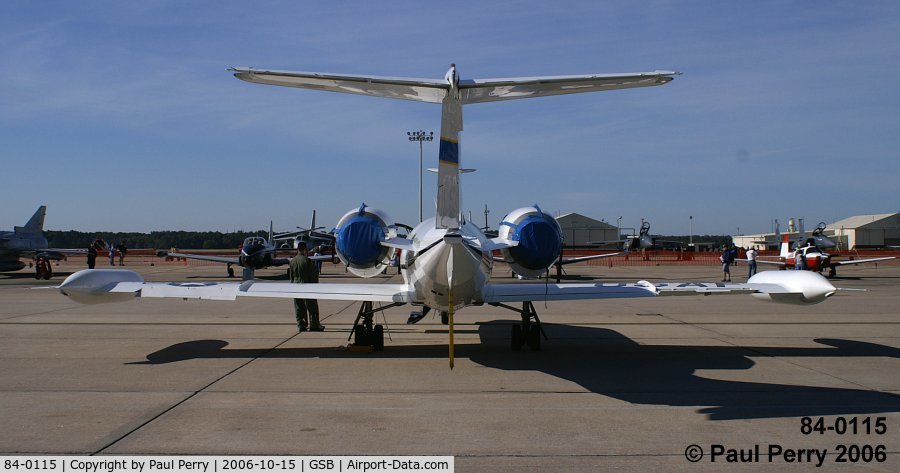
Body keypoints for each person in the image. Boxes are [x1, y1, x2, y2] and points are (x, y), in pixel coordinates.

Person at [288, 242, 323, 332]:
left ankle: (301, 325)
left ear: (297, 249)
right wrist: (315, 288)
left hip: (295, 286)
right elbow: (313, 276)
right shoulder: (308, 261)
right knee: (312, 307)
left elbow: (291, 276)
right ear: (305, 249)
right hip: (307, 286)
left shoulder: (292, 261)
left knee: (299, 307)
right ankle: (314, 325)